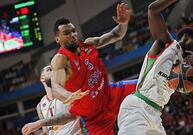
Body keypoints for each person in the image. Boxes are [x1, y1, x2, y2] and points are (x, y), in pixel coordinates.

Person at [21, 3, 137, 135]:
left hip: (110, 93)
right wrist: (69, 95)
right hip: (94, 116)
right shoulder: (60, 59)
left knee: (148, 85)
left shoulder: (88, 44)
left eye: (73, 31)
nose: (72, 35)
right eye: (66, 33)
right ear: (57, 39)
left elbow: (115, 35)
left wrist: (123, 23)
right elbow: (56, 87)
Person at [117, 0, 193, 135]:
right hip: (137, 107)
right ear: (186, 37)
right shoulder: (166, 43)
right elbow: (152, 10)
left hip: (155, 113)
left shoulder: (189, 66)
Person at [22, 65, 81, 135]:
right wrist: (44, 133)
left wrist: (39, 123)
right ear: (42, 78)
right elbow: (46, 130)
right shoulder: (40, 106)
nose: (53, 71)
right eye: (49, 69)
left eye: (54, 70)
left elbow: (70, 116)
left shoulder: (68, 93)